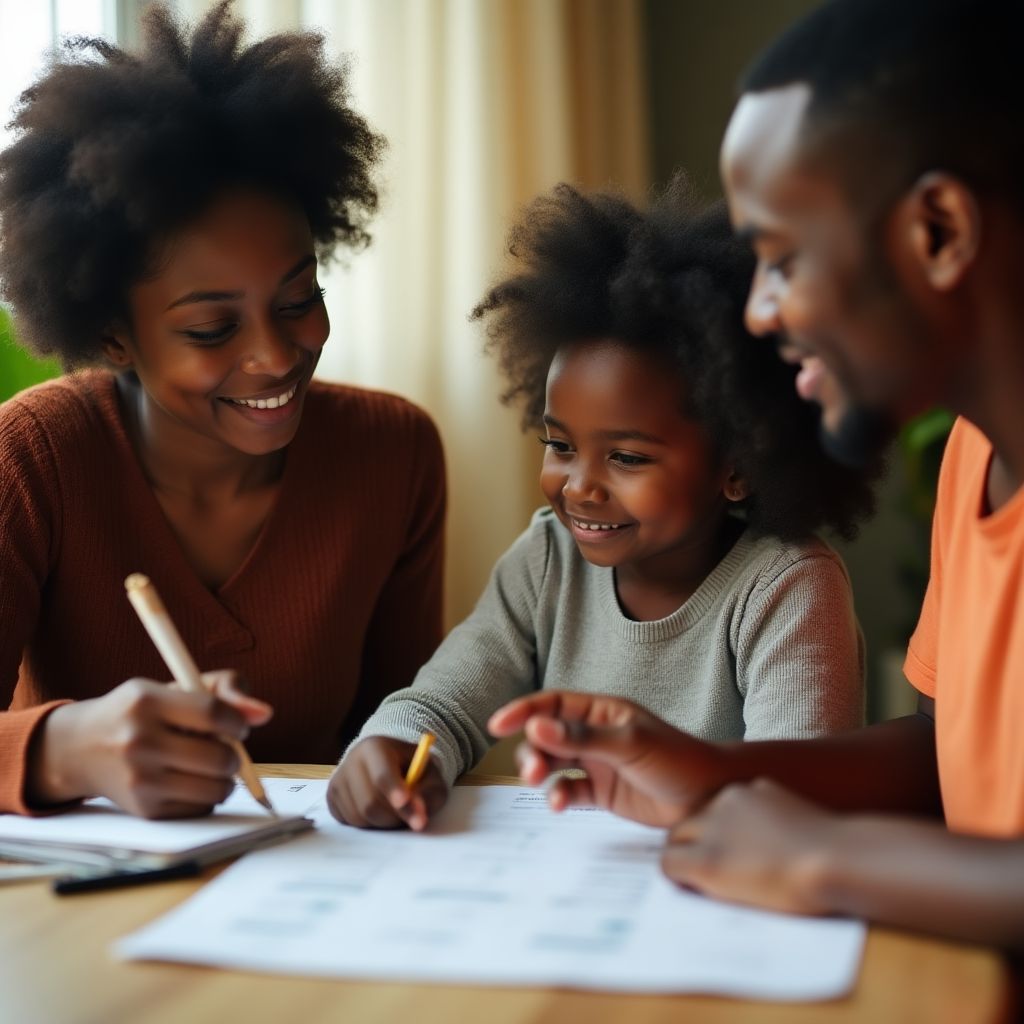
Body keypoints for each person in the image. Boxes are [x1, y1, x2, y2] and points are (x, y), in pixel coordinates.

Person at [490, 0, 1024, 951]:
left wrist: (822, 859)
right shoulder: (973, 459)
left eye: (780, 259)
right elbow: (947, 762)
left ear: (939, 230)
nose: (761, 314)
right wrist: (710, 774)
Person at [0, 2, 445, 819]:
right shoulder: (32, 458)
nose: (277, 356)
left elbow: (409, 717)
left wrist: (404, 762)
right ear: (114, 335)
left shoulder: (394, 452)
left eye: (299, 298)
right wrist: (67, 751)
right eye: (211, 327)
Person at [328, 179, 875, 831]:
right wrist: (388, 748)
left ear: (737, 467)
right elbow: (442, 703)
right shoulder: (547, 560)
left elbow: (793, 792)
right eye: (560, 444)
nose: (580, 485)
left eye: (627, 457)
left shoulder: (787, 587)